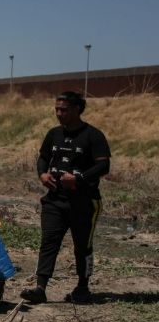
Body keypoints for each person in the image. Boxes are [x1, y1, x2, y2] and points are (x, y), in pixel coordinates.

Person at [20, 91, 110, 305]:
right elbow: (43, 158)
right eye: (57, 109)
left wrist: (79, 178)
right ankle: (40, 287)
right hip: (54, 201)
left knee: (83, 246)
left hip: (85, 202)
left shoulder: (93, 135)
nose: (59, 113)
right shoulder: (54, 134)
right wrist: (42, 174)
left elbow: (104, 165)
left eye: (64, 110)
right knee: (49, 242)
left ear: (77, 109)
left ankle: (83, 287)